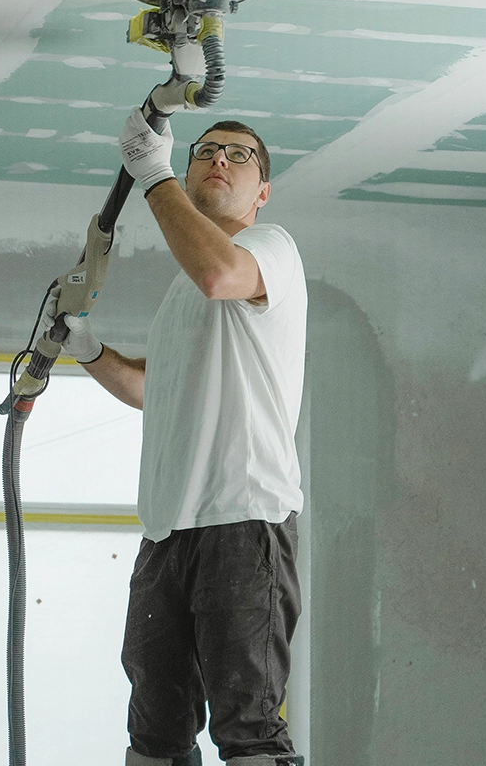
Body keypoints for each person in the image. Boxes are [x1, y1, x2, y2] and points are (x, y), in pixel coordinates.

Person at [43, 107, 307, 766]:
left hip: (243, 521)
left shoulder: (270, 248)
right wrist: (87, 348)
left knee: (247, 728)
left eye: (239, 155)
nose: (219, 159)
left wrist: (151, 172)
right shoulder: (181, 298)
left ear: (262, 191)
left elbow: (220, 273)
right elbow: (148, 390)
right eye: (206, 150)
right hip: (167, 533)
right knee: (155, 733)